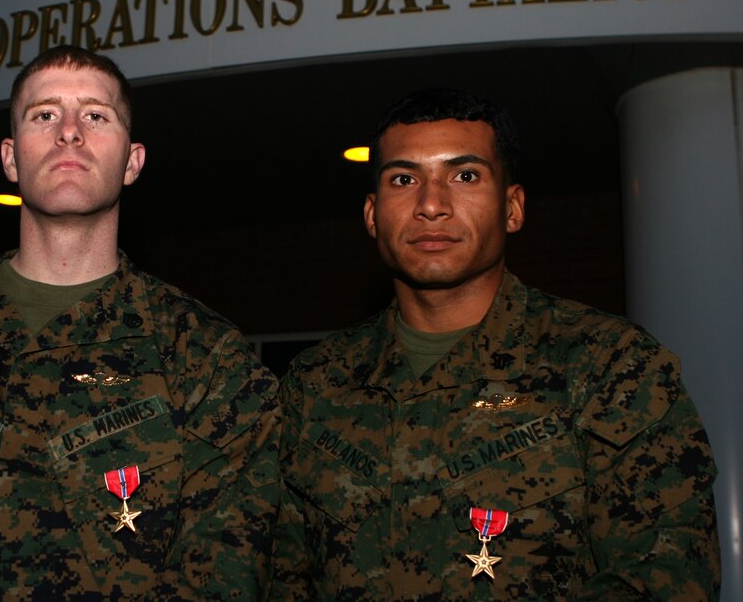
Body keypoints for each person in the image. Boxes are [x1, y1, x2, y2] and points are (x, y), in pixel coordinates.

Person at [0, 45, 280, 600]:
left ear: (133, 162)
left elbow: (224, 570)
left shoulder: (206, 358)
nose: (69, 132)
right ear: (11, 159)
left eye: (95, 115)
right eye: (44, 114)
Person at [271, 88, 720, 600]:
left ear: (513, 208)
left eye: (465, 176)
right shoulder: (315, 385)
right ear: (373, 215)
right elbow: (278, 576)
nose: (431, 205)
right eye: (404, 179)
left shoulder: (608, 365)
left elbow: (667, 573)